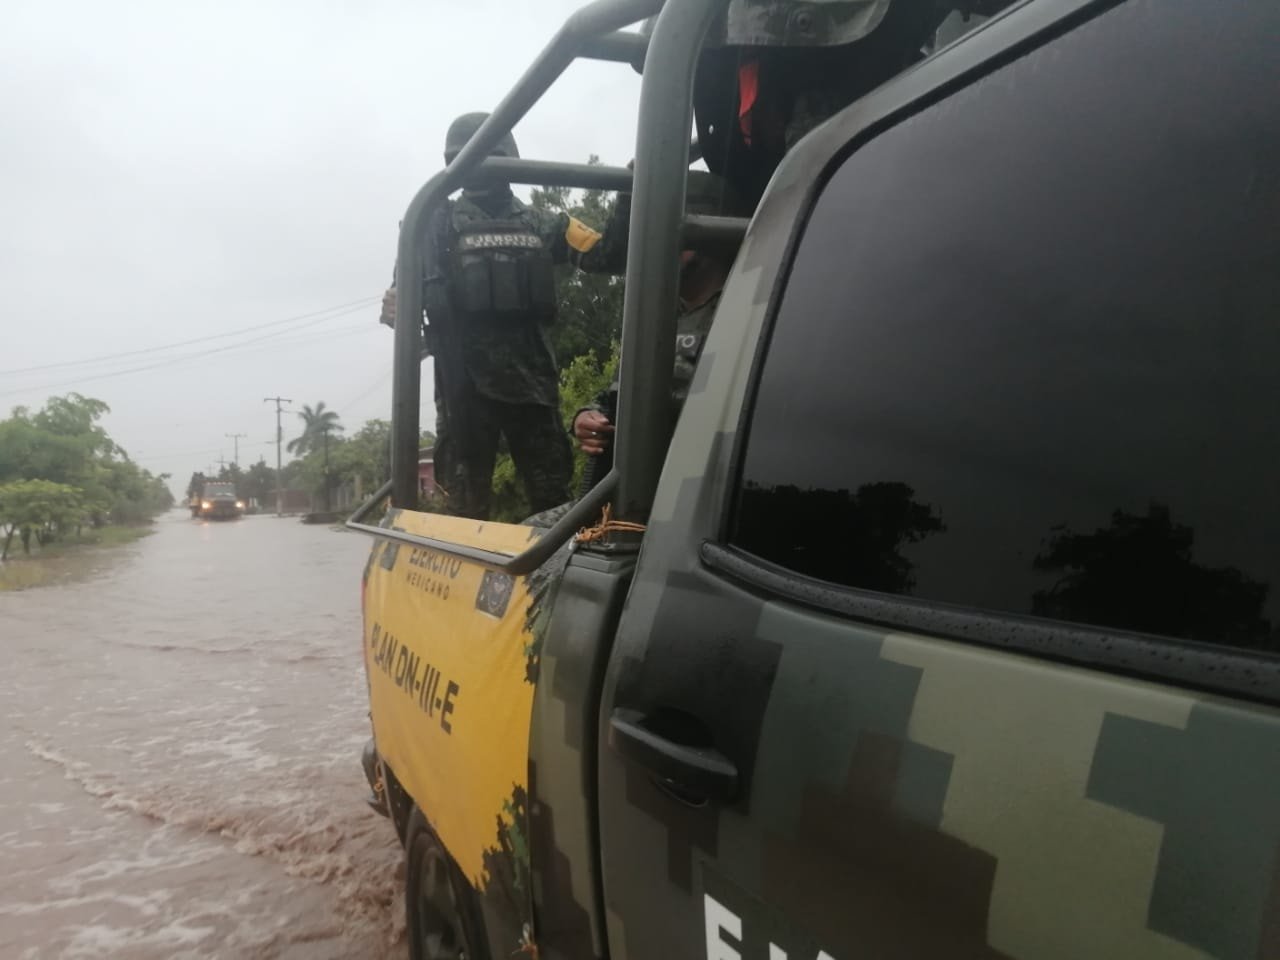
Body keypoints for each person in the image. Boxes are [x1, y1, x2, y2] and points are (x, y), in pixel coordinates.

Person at [381, 112, 627, 519]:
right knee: (463, 512)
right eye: (465, 157)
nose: (479, 167)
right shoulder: (431, 223)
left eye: (489, 156)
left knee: (555, 507)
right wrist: (395, 305)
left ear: (510, 159)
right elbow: (399, 303)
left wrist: (630, 193)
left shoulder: (544, 222)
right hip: (463, 392)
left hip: (532, 387)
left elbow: (607, 255)